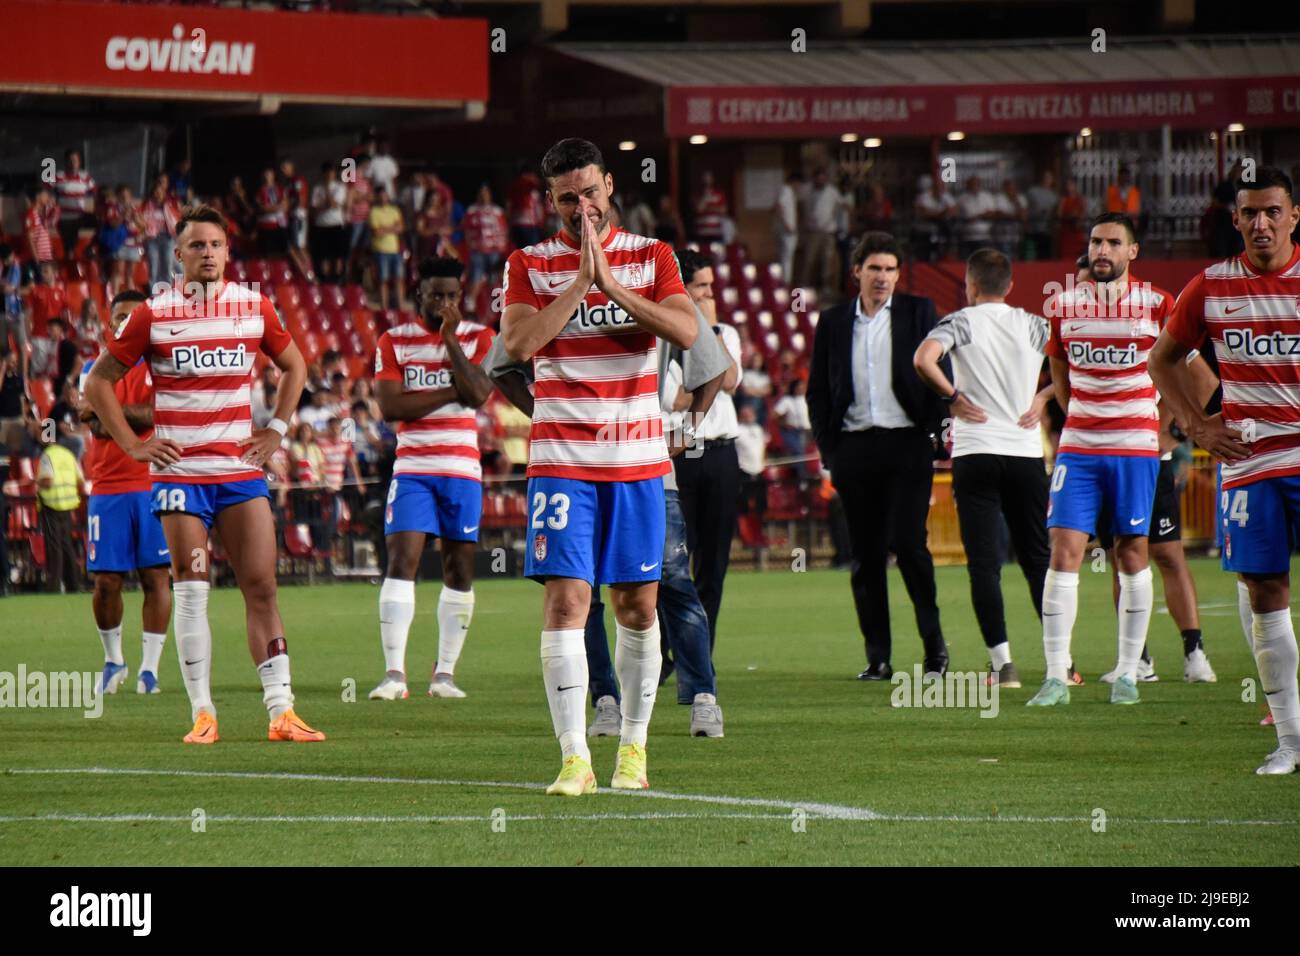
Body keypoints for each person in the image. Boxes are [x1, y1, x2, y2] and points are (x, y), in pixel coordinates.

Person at [85, 203, 325, 745]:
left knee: (262, 587)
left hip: (240, 475)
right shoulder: (152, 313)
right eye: (197, 245)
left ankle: (282, 712)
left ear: (227, 251)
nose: (208, 254)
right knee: (192, 591)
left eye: (216, 245)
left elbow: (296, 366)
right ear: (178, 254)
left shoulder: (253, 306)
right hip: (182, 477)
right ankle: (203, 712)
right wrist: (133, 444)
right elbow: (99, 382)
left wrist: (279, 429)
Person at [499, 137, 697, 795]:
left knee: (637, 607)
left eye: (588, 191)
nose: (579, 205)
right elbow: (518, 344)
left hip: (638, 461)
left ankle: (633, 751)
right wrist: (583, 282)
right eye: (565, 197)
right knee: (567, 600)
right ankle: (575, 757)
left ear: (610, 185)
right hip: (562, 462)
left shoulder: (653, 257)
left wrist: (612, 284)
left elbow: (687, 331)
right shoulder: (528, 263)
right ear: (549, 200)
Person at [483, 267, 729, 739]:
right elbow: (502, 363)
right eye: (571, 200)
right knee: (580, 590)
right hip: (572, 463)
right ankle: (606, 700)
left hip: (643, 460)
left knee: (672, 580)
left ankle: (702, 695)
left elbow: (712, 362)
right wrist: (547, 415)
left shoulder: (654, 280)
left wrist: (689, 428)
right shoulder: (547, 278)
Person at [1149, 166, 1300, 773]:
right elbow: (1164, 359)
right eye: (1248, 213)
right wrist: (1197, 425)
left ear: (1293, 217)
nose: (1260, 223)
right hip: (1250, 456)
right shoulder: (1210, 286)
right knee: (1264, 590)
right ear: (1234, 220)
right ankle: (1290, 741)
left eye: (1271, 211)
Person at [1025, 212, 1174, 708]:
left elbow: (1178, 368)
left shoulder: (1158, 304)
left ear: (1133, 251)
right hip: (1080, 448)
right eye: (1095, 242)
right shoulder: (1063, 306)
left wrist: (1163, 429)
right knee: (1063, 551)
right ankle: (1054, 677)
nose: (1102, 250)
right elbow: (1059, 372)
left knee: (1131, 555)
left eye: (1113, 242)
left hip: (1135, 449)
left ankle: (1130, 673)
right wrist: (1079, 421)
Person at [807, 231, 950, 680]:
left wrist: (935, 435)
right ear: (857, 272)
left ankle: (935, 649)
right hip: (854, 448)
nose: (883, 277)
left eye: (890, 269)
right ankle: (878, 657)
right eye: (874, 269)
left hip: (907, 444)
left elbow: (939, 374)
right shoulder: (832, 321)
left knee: (910, 546)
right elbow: (816, 391)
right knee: (865, 556)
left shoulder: (918, 311)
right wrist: (831, 450)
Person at [913, 248, 1052, 688]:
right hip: (1026, 451)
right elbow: (1072, 365)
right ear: (1010, 286)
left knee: (984, 564)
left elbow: (923, 359)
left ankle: (1003, 666)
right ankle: (1060, 662)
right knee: (1037, 560)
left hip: (976, 451)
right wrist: (1043, 398)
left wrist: (953, 398)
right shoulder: (1035, 324)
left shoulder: (959, 322)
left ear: (970, 285)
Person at [368, 256, 494, 701]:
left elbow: (479, 393)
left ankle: (444, 674)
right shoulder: (393, 341)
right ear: (418, 294)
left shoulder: (480, 336)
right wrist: (449, 390)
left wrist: (450, 342)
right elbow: (392, 407)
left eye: (452, 295)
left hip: (462, 471)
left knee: (459, 568)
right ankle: (394, 674)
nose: (444, 302)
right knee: (402, 560)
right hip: (413, 469)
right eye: (436, 294)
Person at [76, 289, 171, 696]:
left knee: (156, 577)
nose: (124, 322)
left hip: (155, 482)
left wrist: (110, 411)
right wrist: (132, 416)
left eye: (133, 316)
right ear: (108, 323)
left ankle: (150, 670)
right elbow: (93, 425)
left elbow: (160, 414)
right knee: (106, 582)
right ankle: (114, 660)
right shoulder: (91, 367)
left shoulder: (161, 367)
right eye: (119, 316)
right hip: (108, 487)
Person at [672, 249, 742, 648]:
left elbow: (729, 380)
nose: (710, 294)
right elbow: (669, 399)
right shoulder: (662, 334)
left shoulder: (725, 333)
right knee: (675, 560)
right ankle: (668, 649)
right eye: (702, 286)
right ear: (682, 287)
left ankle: (701, 650)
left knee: (714, 564)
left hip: (719, 453)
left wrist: (710, 331)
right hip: (678, 454)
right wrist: (697, 391)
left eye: (712, 286)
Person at [36, 426, 85, 593]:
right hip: (68, 505)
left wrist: (36, 483)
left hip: (51, 504)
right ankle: (73, 584)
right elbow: (81, 479)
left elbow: (47, 481)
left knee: (54, 546)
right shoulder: (68, 455)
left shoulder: (47, 456)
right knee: (66, 545)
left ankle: (54, 586)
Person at [796, 167, 846, 301]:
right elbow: (799, 206)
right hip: (812, 231)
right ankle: (803, 289)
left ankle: (826, 288)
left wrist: (838, 223)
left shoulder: (832, 191)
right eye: (818, 178)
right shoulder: (807, 190)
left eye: (823, 178)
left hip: (828, 232)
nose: (821, 181)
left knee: (827, 260)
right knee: (809, 260)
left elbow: (841, 206)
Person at [462, 184, 509, 315]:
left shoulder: (497, 211)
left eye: (486, 193)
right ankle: (470, 307)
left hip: (495, 251)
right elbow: (466, 229)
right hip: (478, 251)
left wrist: (502, 247)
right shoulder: (471, 210)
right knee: (476, 277)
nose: (484, 195)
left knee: (495, 280)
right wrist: (470, 245)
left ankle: (496, 309)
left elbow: (503, 229)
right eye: (481, 193)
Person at [368, 187, 405, 312]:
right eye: (381, 196)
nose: (384, 198)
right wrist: (392, 227)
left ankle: (400, 307)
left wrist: (385, 229)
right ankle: (384, 307)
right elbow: (377, 232)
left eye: (385, 196)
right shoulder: (374, 211)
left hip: (395, 250)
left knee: (399, 279)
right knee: (383, 279)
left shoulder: (395, 210)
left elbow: (400, 228)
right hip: (381, 251)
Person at [55, 148, 96, 261]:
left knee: (103, 223)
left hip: (80, 217)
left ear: (79, 162)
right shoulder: (58, 176)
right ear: (66, 162)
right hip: (65, 218)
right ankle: (69, 265)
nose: (73, 163)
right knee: (69, 247)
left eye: (75, 160)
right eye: (70, 160)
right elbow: (45, 192)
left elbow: (96, 193)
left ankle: (91, 249)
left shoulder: (85, 177)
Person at [311, 162, 348, 283]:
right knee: (323, 255)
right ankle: (325, 280)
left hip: (336, 224)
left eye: (331, 172)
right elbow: (315, 207)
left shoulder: (340, 187)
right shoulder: (317, 188)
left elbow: (333, 204)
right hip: (322, 225)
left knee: (338, 255)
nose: (329, 175)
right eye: (327, 172)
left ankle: (337, 278)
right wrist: (325, 203)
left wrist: (327, 191)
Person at [955, 177, 996, 258]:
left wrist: (978, 216)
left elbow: (992, 213)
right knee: (966, 263)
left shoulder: (987, 197)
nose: (973, 186)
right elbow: (956, 214)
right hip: (966, 237)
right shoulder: (961, 199)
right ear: (967, 185)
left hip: (984, 237)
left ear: (979, 184)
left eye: (975, 184)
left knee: (983, 262)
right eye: (971, 184)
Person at [772, 171, 801, 281]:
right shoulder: (786, 190)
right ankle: (785, 282)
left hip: (784, 229)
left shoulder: (787, 192)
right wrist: (787, 225)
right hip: (787, 230)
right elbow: (778, 207)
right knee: (786, 258)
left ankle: (782, 281)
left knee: (783, 257)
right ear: (794, 182)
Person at [1024, 171, 1058, 260]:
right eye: (1045, 177)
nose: (1047, 180)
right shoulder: (1032, 191)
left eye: (1049, 178)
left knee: (1045, 255)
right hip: (1033, 228)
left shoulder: (1054, 195)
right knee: (1031, 256)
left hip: (1046, 230)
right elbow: (1026, 208)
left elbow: (1055, 212)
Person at [692, 171, 728, 244]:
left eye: (708, 178)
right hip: (701, 233)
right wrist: (705, 196)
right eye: (705, 178)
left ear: (712, 179)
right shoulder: (697, 195)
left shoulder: (719, 194)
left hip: (716, 232)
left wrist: (708, 208)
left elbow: (723, 210)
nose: (707, 180)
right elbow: (699, 209)